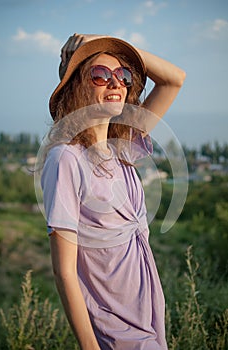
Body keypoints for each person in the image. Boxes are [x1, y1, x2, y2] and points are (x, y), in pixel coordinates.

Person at [40, 33, 186, 350]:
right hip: (114, 334)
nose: (116, 83)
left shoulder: (124, 150)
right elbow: (64, 271)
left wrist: (105, 42)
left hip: (148, 322)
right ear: (76, 87)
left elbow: (175, 80)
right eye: (100, 75)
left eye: (123, 76)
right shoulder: (66, 158)